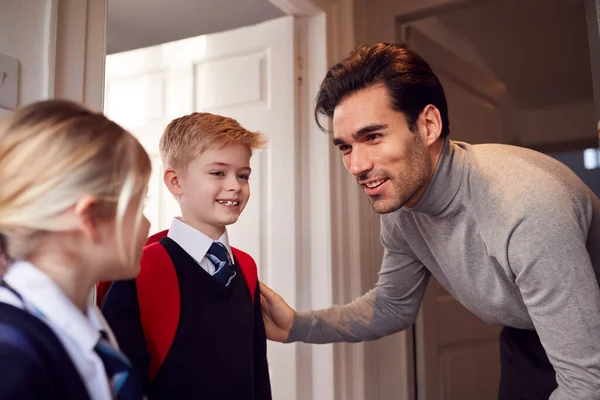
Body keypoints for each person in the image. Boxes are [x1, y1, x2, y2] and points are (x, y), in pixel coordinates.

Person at [259, 43, 600, 399]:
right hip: (527, 338)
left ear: (428, 125)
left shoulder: (523, 207)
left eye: (372, 136)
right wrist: (297, 325)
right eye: (346, 147)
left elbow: (587, 381)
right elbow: (393, 306)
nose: (357, 165)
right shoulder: (403, 208)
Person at [100, 112, 272, 399]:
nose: (235, 185)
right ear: (175, 182)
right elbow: (120, 381)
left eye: (243, 175)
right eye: (218, 173)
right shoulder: (139, 269)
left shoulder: (246, 266)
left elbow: (257, 372)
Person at [0, 99, 151, 399]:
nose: (147, 224)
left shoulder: (89, 327)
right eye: (139, 205)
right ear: (90, 218)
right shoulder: (10, 359)